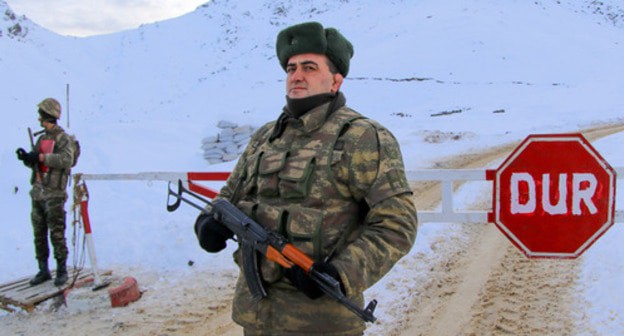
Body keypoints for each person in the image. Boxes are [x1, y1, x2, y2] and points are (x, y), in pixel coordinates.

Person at [194, 22, 417, 335]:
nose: (296, 76)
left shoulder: (362, 137)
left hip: (322, 323)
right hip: (257, 318)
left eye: (310, 67)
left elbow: (397, 225)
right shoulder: (265, 137)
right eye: (291, 68)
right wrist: (208, 222)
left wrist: (340, 274)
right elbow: (228, 197)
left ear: (336, 80)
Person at [16, 97, 77, 287]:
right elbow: (36, 161)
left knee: (57, 233)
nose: (39, 120)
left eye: (41, 116)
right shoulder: (42, 138)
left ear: (48, 116)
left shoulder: (63, 138)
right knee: (39, 233)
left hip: (54, 194)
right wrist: (28, 158)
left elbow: (66, 160)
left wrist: (42, 156)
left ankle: (61, 269)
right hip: (39, 193)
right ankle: (43, 269)